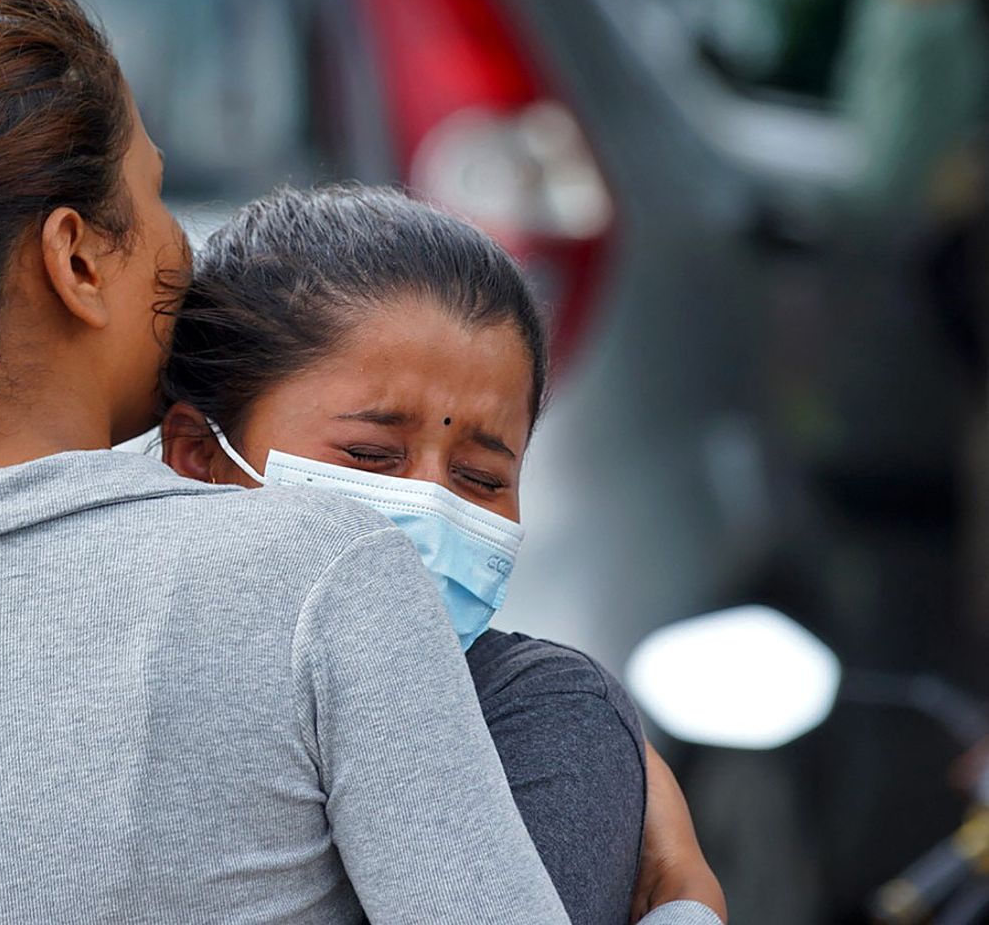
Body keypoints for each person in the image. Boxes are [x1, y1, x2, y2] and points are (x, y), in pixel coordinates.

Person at [0, 0, 723, 924]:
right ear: (79, 260)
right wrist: (677, 892)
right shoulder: (322, 578)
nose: (186, 250)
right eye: (156, 194)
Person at [158, 184, 722, 925]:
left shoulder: (534, 719)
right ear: (199, 456)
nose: (430, 505)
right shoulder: (79, 676)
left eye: (481, 478)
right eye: (370, 454)